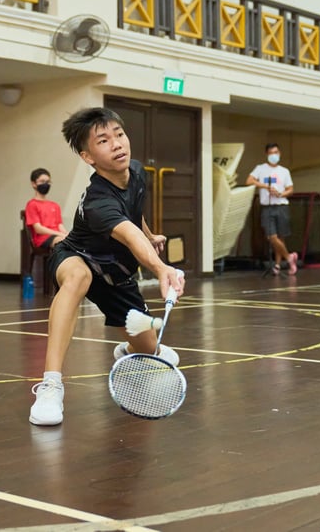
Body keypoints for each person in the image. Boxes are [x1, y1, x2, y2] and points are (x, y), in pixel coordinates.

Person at [28, 107, 185, 426]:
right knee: (78, 277)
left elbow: (132, 214)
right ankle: (51, 385)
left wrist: (149, 234)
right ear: (88, 157)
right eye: (103, 140)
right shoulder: (97, 201)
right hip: (77, 256)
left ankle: (130, 349)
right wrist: (160, 268)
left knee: (152, 349)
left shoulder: (136, 171)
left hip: (116, 276)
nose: (117, 144)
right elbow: (126, 233)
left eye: (119, 134)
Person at [246, 143, 298, 275]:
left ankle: (278, 265)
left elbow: (290, 189)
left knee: (281, 237)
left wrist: (280, 194)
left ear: (279, 154)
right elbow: (249, 181)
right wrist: (265, 186)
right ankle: (289, 257)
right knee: (271, 236)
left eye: (276, 152)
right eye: (270, 153)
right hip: (267, 207)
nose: (273, 155)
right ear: (266, 154)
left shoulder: (284, 171)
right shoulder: (260, 169)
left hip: (281, 205)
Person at [24, 168, 68, 249]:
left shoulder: (55, 205)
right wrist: (60, 234)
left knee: (75, 242)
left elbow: (60, 225)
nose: (46, 184)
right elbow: (38, 229)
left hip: (58, 236)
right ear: (33, 184)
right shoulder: (32, 205)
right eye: (42, 181)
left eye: (48, 181)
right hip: (43, 239)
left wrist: (67, 234)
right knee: (64, 243)